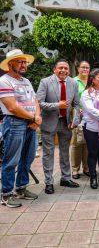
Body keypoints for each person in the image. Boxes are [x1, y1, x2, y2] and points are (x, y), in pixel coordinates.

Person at [0, 49, 41, 208]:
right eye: (20, 62)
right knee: (12, 160)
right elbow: (12, 106)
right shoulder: (4, 81)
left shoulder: (26, 81)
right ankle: (6, 194)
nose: (24, 65)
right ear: (10, 64)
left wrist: (37, 118)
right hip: (15, 123)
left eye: (25, 62)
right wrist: (33, 118)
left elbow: (35, 100)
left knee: (28, 157)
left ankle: (21, 188)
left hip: (30, 123)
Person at [37, 59, 80, 194]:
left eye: (66, 68)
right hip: (49, 122)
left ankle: (66, 178)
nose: (63, 71)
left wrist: (75, 120)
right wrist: (57, 105)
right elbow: (39, 103)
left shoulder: (73, 83)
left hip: (65, 123)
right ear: (54, 69)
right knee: (48, 153)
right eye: (60, 68)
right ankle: (49, 182)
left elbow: (76, 105)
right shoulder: (45, 82)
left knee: (64, 152)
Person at [71, 61, 90, 179]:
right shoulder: (73, 81)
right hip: (77, 114)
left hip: (90, 115)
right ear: (78, 69)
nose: (85, 69)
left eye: (87, 67)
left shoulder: (92, 80)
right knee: (76, 142)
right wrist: (78, 110)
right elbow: (70, 99)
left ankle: (86, 167)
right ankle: (75, 169)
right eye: (83, 67)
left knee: (88, 142)